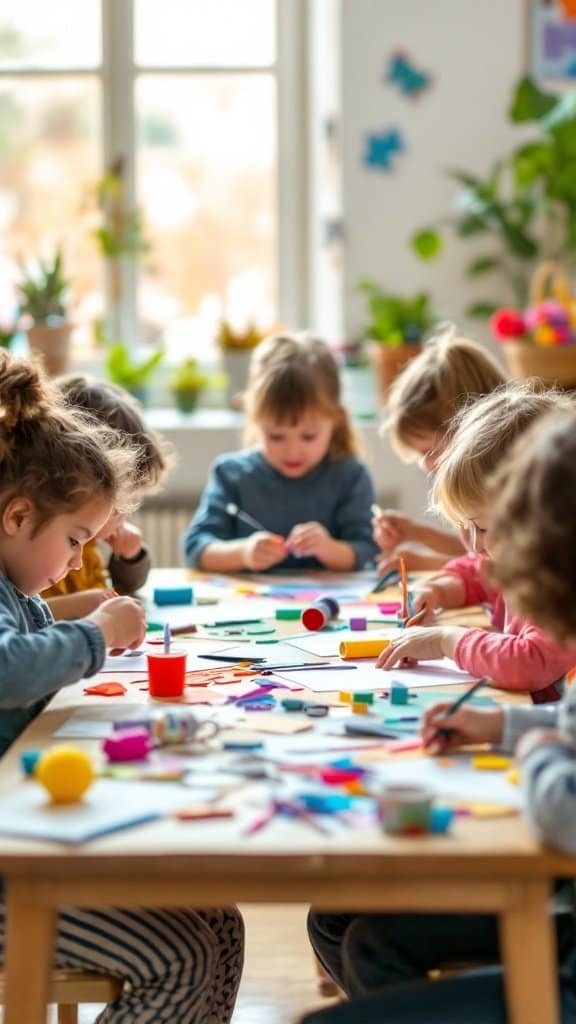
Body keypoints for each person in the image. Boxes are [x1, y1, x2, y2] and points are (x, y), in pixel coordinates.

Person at [304, 408, 576, 1024]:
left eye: (489, 532)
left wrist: (536, 753)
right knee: (337, 917)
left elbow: (564, 808)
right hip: (552, 876)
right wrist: (505, 728)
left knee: (362, 955)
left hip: (558, 910)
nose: (476, 554)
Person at [0, 353, 244, 1024]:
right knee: (185, 957)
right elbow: (9, 667)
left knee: (218, 923)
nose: (79, 560)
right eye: (75, 540)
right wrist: (99, 635)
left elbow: (36, 629)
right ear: (17, 518)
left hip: (23, 835)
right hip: (10, 874)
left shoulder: (14, 593)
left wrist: (95, 619)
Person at [375, 382, 576, 701]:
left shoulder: (561, 584)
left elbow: (528, 663)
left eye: (482, 528)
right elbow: (481, 575)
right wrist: (439, 589)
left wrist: (445, 641)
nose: (476, 545)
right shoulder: (528, 561)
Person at [183, 333, 379, 572]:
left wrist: (328, 548)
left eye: (308, 436)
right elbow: (195, 550)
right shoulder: (231, 474)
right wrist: (243, 553)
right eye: (276, 436)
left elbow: (367, 551)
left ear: (335, 420)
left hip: (326, 608)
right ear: (255, 419)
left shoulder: (350, 476)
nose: (292, 451)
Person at [372, 327, 506, 576]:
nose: (427, 465)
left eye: (432, 452)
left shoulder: (509, 489)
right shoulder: (474, 490)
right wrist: (417, 535)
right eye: (419, 454)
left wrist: (426, 561)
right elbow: (476, 552)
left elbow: (501, 569)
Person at [42, 375, 172, 620]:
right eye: (116, 506)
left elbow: (123, 587)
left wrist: (130, 558)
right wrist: (89, 604)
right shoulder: (47, 544)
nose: (123, 516)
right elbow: (22, 618)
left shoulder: (86, 545)